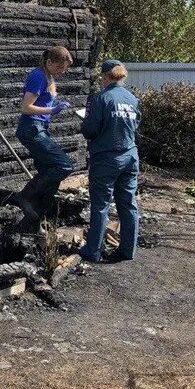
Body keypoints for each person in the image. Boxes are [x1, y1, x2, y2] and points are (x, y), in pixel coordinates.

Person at [79, 60, 141, 264]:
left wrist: (86, 122)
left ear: (105, 77)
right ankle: (128, 250)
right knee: (128, 204)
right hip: (130, 156)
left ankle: (93, 251)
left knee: (100, 205)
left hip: (107, 158)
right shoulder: (132, 99)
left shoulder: (100, 99)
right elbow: (135, 124)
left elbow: (89, 130)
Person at [12, 46, 76, 221]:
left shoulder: (48, 76)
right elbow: (26, 107)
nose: (62, 72)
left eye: (64, 69)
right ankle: (25, 196)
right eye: (59, 68)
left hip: (39, 128)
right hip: (32, 129)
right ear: (49, 62)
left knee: (49, 171)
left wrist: (52, 107)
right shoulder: (38, 76)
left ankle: (36, 218)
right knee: (64, 165)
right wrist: (52, 110)